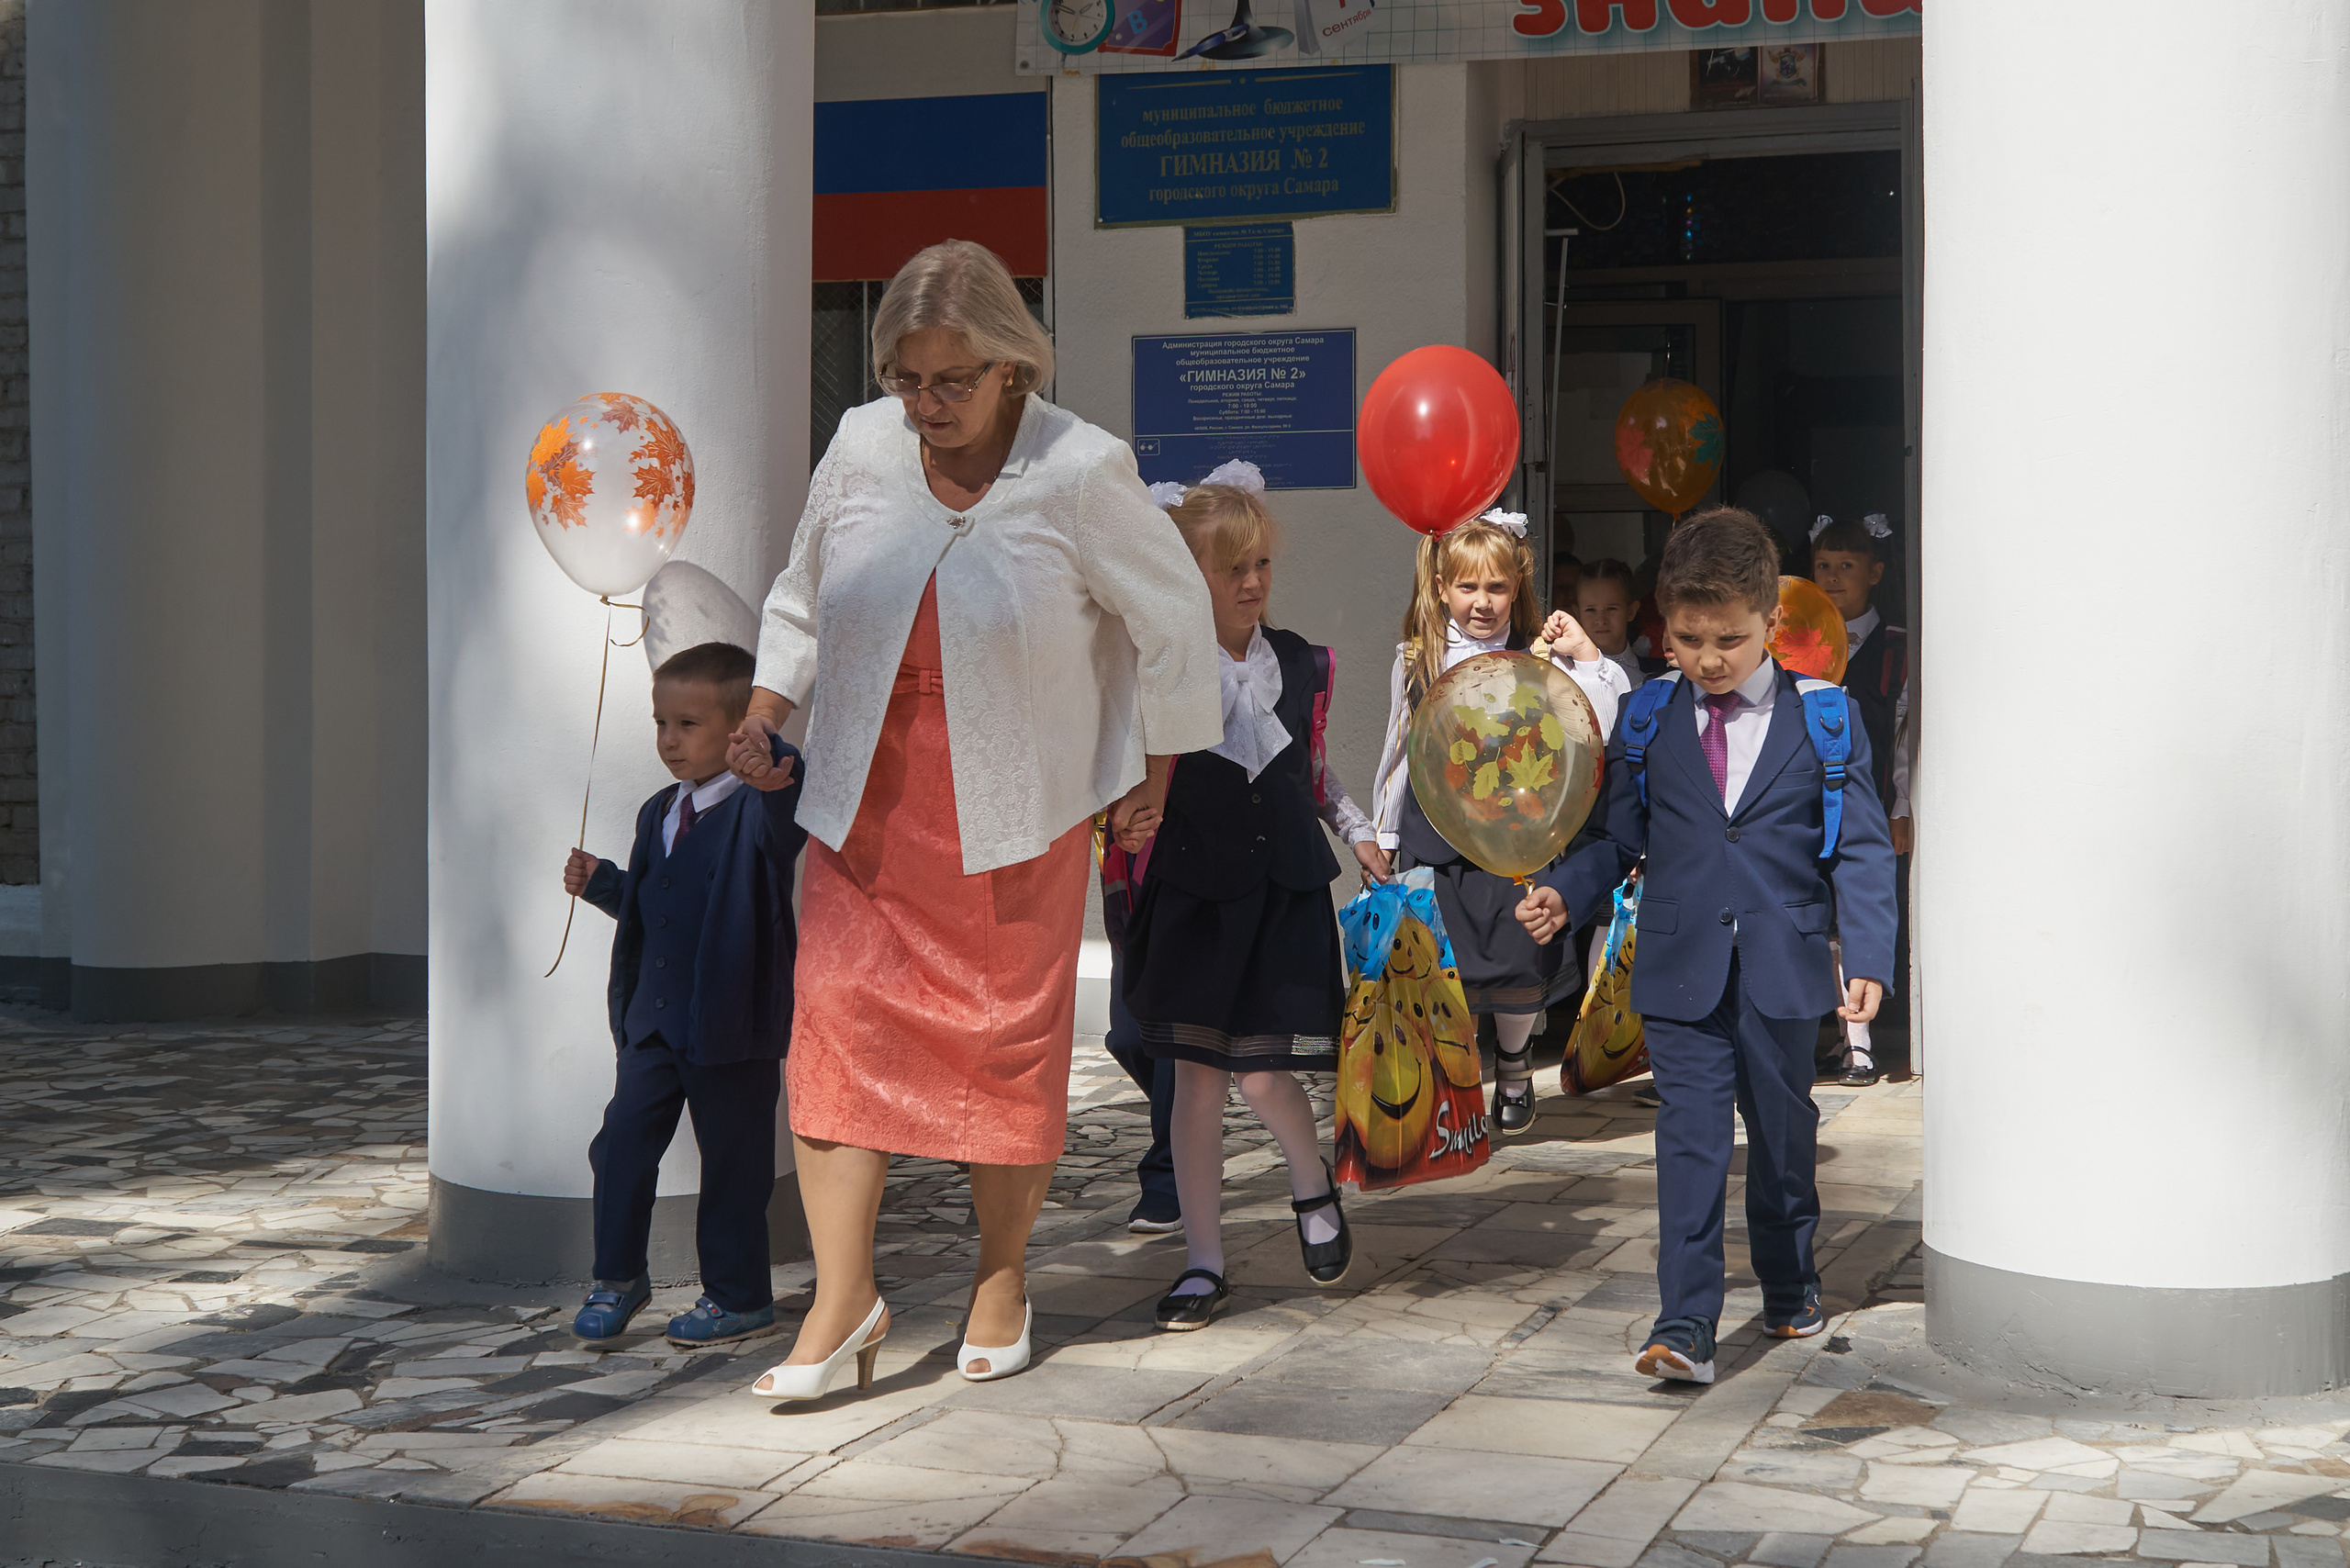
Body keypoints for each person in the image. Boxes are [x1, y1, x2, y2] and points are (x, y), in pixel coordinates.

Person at [726, 241, 1221, 1400]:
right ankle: (843, 1300)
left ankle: (1001, 1278)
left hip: (1013, 810)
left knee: (1001, 1051)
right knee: (833, 1029)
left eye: (952, 380)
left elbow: (1173, 620)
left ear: (1012, 365)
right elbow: (802, 593)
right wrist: (763, 710)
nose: (926, 404)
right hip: (864, 799)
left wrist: (1155, 773)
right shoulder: (860, 445)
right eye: (906, 379)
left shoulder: (1081, 467)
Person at [1516, 506, 1897, 1384]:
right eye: (1688, 640)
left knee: (1782, 1135)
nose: (1709, 659)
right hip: (1680, 964)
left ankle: (1789, 1278)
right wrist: (1566, 892)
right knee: (1689, 1140)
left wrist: (1869, 956)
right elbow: (1617, 837)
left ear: (1771, 620)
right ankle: (1684, 1323)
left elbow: (1863, 848)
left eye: (1729, 639)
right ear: (1665, 625)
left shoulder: (1828, 718)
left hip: (1784, 966)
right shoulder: (1646, 716)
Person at [1119, 465, 1383, 1329]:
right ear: (1186, 574)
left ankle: (1312, 1186)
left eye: (1260, 563)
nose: (1250, 581)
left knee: (1266, 1076)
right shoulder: (1158, 669)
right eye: (1230, 567)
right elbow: (1124, 769)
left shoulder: (1301, 662)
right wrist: (1124, 814)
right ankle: (1203, 1262)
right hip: (1195, 894)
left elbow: (1312, 769)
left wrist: (1358, 829)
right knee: (1197, 1084)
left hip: (1283, 892)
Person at [563, 643, 809, 1350]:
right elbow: (653, 907)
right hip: (653, 1024)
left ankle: (738, 1296)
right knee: (619, 1147)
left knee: (733, 1163)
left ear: (736, 732)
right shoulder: (657, 812)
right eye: (661, 723)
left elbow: (786, 796)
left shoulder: (761, 809)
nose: (670, 740)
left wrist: (770, 757)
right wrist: (604, 884)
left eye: (689, 725)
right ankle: (617, 1276)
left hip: (731, 1028)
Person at [1371, 512, 1629, 1135]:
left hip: (1521, 833)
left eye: (1496, 587)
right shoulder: (1417, 658)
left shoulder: (1541, 657)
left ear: (1517, 588)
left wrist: (1585, 656)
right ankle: (1456, 1087)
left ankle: (1513, 1062)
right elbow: (1399, 751)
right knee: (1446, 967)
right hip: (1440, 834)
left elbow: (1599, 723)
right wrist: (1383, 835)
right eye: (1468, 587)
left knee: (1518, 959)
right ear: (1441, 588)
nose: (1482, 602)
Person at [1809, 511, 1913, 1085]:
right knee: (1825, 920)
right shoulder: (1795, 641)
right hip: (1812, 801)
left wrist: (1901, 806)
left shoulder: (1896, 646)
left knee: (1861, 912)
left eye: (1846, 565)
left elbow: (1904, 730)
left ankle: (1862, 1045)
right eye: (1823, 565)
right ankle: (1842, 1035)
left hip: (1869, 798)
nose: (1832, 577)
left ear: (1874, 572)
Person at [1573, 557, 1649, 691]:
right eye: (1590, 610)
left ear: (1631, 611)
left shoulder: (1653, 674)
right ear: (1577, 614)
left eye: (1611, 608)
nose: (1601, 620)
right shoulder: (1566, 674)